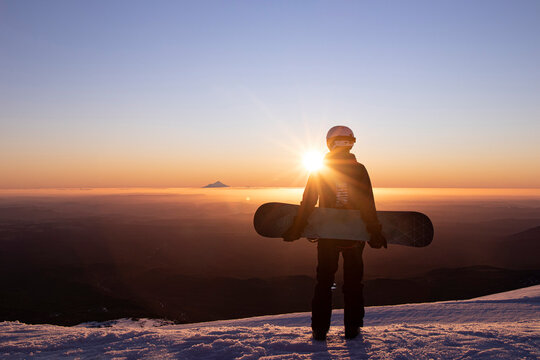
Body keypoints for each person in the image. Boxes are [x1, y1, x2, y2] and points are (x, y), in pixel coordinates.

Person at [283, 125, 386, 341]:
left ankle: (320, 330)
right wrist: (374, 232)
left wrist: (297, 228)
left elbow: (309, 202)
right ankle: (352, 329)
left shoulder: (319, 169)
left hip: (328, 238)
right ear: (351, 143)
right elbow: (368, 204)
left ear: (330, 143)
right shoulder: (359, 169)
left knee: (325, 282)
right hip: (355, 239)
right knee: (353, 284)